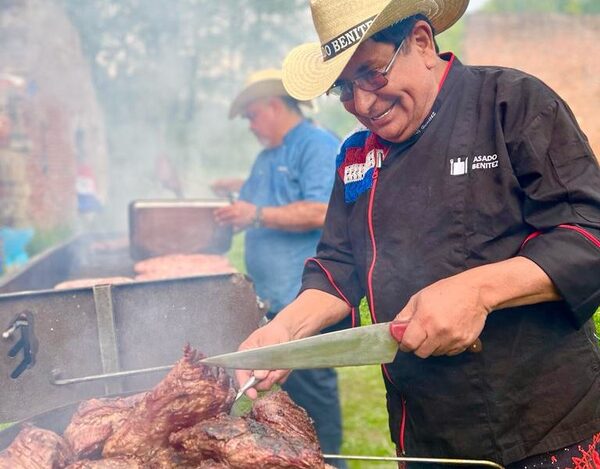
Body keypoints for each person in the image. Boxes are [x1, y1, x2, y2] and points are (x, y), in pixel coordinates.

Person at [235, 1, 600, 468]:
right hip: (426, 434)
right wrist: (284, 331)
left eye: (371, 74)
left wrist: (478, 291)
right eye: (344, 88)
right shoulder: (354, 156)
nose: (362, 104)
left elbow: (586, 231)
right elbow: (338, 267)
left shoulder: (512, 103)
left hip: (546, 430)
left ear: (423, 43)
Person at [213, 68, 350, 467]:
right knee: (284, 403)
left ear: (274, 105)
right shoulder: (267, 156)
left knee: (313, 397)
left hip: (303, 302)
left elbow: (321, 208)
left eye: (253, 116)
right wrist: (234, 193)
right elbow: (270, 198)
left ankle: (332, 462)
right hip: (271, 302)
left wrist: (253, 214)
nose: (251, 127)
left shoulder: (316, 144)